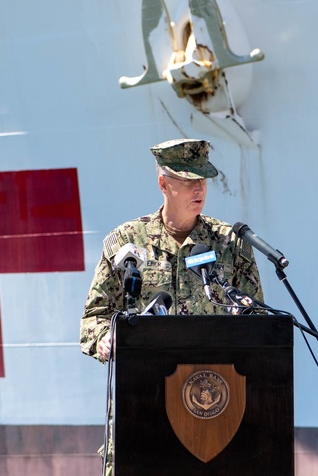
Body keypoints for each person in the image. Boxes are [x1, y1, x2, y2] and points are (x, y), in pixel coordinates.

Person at [80, 137, 264, 360]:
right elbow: (95, 315)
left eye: (203, 180)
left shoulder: (230, 243)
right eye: (188, 181)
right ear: (163, 184)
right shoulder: (126, 240)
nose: (199, 189)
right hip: (146, 378)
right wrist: (104, 338)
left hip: (213, 380)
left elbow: (257, 317)